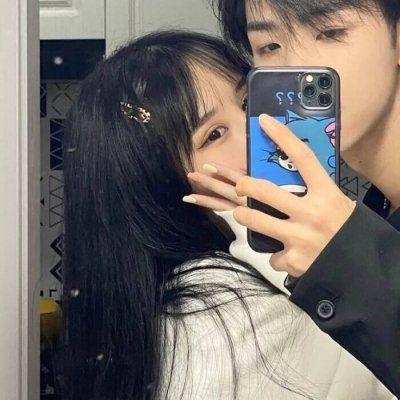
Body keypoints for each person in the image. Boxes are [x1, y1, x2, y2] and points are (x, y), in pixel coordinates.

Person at [59, 30, 394, 400]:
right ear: (159, 188)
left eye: (249, 102)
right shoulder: (224, 319)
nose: (263, 130)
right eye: (214, 134)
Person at [209, 0, 400, 397]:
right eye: (270, 46)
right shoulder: (375, 210)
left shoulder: (358, 234)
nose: (297, 70)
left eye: (330, 32)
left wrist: (347, 259)